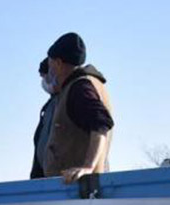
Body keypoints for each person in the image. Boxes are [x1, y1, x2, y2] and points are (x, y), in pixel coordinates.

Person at [41, 32, 114, 183]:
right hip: (70, 189)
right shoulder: (76, 86)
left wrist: (88, 167)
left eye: (50, 64)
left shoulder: (79, 88)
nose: (50, 71)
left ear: (59, 63)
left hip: (75, 190)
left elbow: (101, 124)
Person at [31, 58, 59, 180]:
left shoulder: (67, 98)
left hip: (62, 180)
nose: (44, 82)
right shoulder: (50, 105)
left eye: (46, 77)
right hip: (45, 177)